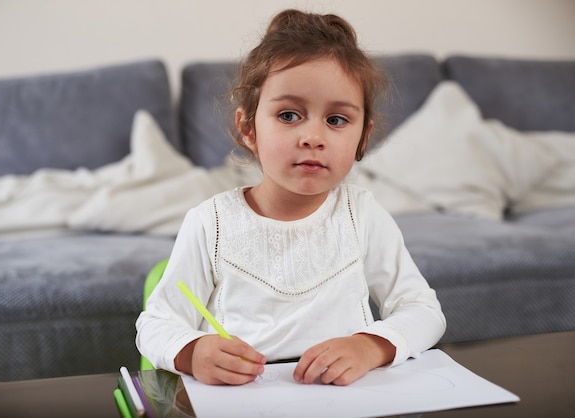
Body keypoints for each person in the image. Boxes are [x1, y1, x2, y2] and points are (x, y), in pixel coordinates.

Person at [136, 9, 446, 387]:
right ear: (248, 128)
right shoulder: (211, 223)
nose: (313, 137)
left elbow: (424, 310)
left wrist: (370, 346)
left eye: (336, 120)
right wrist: (193, 351)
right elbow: (155, 325)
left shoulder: (361, 214)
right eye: (288, 115)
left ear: (363, 138)